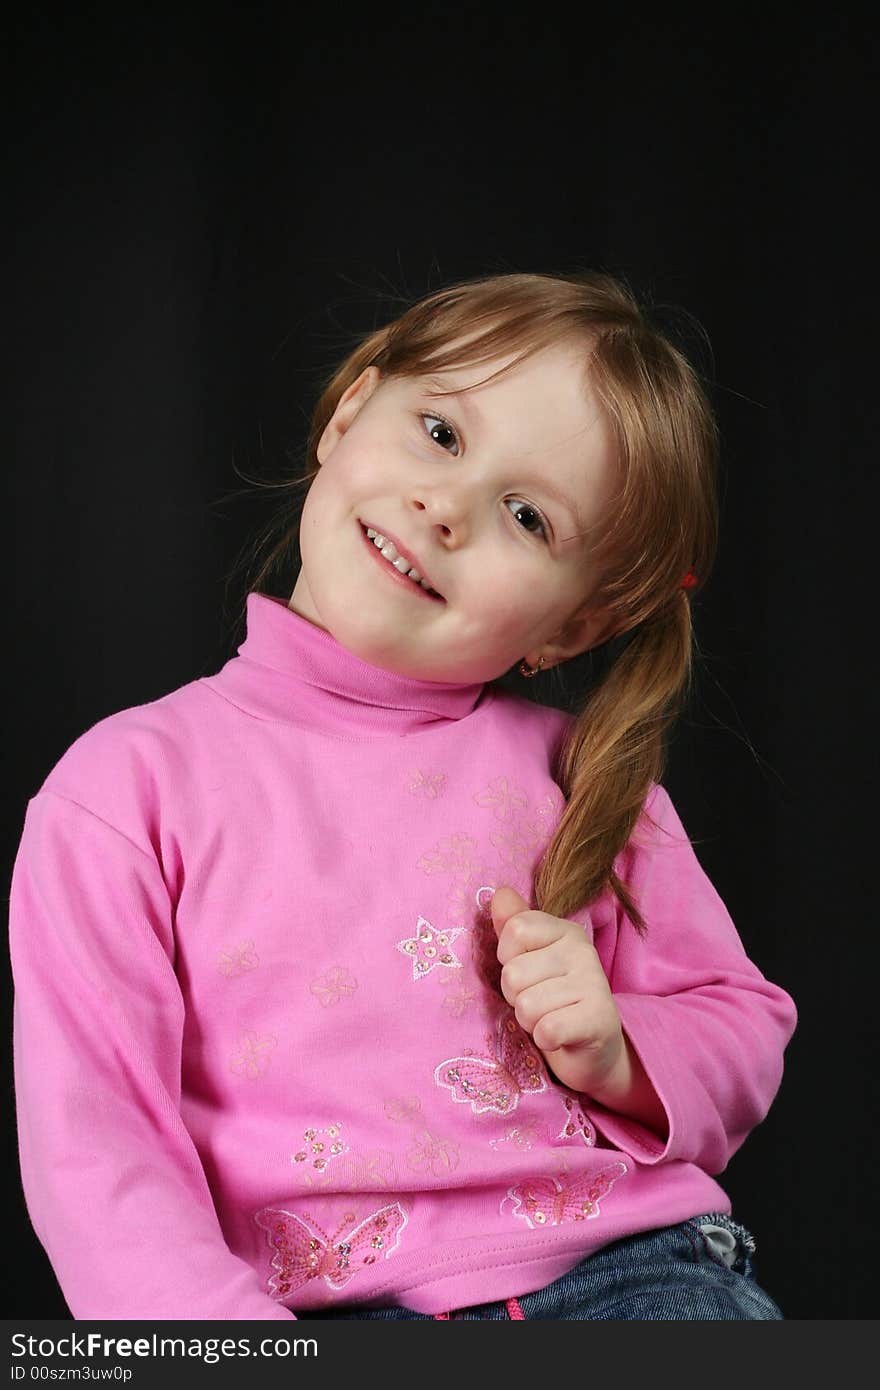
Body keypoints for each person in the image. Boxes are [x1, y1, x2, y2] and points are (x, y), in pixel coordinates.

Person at [8, 270, 797, 1320]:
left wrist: (617, 1047)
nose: (447, 507)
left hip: (628, 1277)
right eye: (439, 431)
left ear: (571, 627)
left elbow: (739, 1018)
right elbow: (99, 1154)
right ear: (345, 415)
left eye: (527, 516)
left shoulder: (586, 781)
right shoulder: (123, 791)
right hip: (324, 1318)